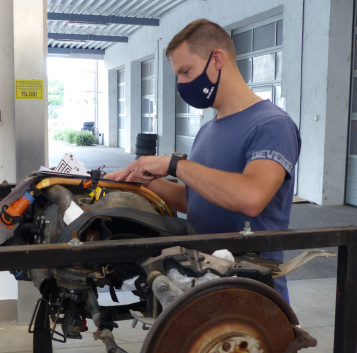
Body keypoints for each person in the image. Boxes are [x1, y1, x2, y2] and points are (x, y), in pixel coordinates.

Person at [104, 19, 301, 303]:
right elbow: (196, 200)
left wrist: (174, 165)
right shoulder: (208, 129)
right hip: (201, 282)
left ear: (217, 60)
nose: (182, 84)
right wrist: (140, 182)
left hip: (250, 292)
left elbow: (251, 197)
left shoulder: (271, 124)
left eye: (186, 71)